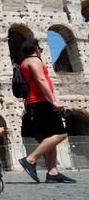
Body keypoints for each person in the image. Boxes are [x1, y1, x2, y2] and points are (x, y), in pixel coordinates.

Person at [18, 38, 76, 183]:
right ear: (36, 49)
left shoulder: (24, 62)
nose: (41, 52)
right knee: (61, 134)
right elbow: (41, 80)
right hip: (41, 102)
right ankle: (30, 159)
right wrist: (54, 101)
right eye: (40, 49)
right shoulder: (34, 61)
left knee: (50, 137)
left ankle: (53, 172)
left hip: (35, 102)